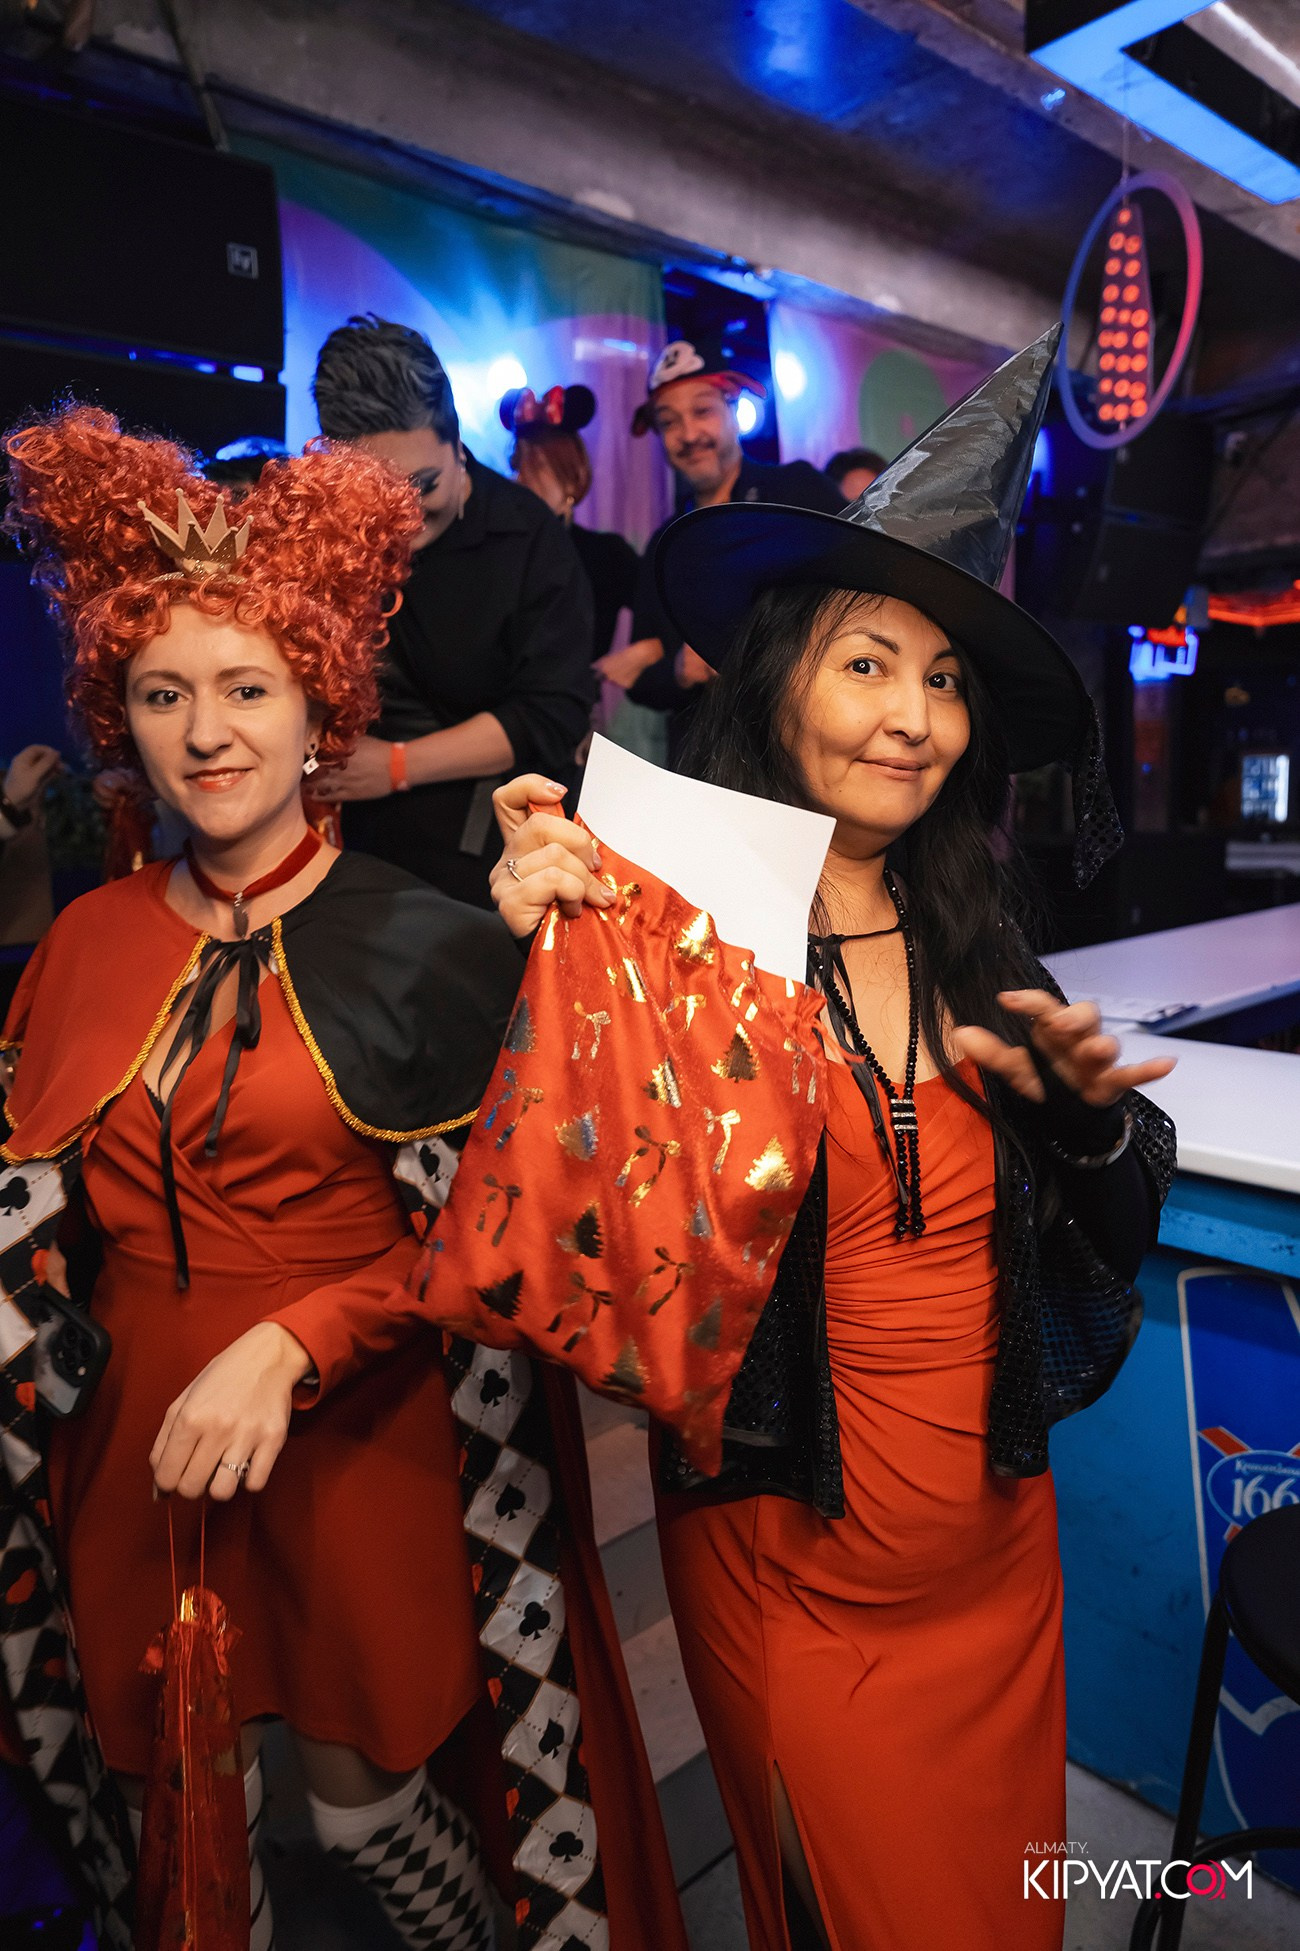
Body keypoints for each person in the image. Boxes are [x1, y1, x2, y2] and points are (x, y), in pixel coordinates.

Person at [484, 331, 1177, 1951]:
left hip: (998, 1564)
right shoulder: (679, 927)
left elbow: (1108, 1231)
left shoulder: (977, 933)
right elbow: (587, 1244)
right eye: (870, 663)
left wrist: (1086, 1131)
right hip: (790, 1580)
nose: (915, 716)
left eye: (944, 679)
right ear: (778, 674)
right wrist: (545, 963)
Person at [0, 406, 686, 1951]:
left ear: (321, 706)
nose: (207, 731)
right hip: (135, 1447)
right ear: (122, 716)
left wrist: (297, 1338)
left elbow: (510, 1237)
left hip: (356, 1435)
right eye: (163, 692)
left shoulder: (427, 934)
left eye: (247, 686)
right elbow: (29, 1212)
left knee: (370, 1807)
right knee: (186, 1806)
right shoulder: (85, 940)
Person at [307, 315, 595, 907]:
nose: (404, 516)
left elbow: (550, 713)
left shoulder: (526, 537)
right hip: (352, 851)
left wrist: (396, 765)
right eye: (376, 492)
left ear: (456, 440)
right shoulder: (327, 537)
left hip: (491, 860)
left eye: (423, 485)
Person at [624, 334, 846, 761]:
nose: (689, 434)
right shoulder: (665, 543)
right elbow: (640, 677)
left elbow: (860, 592)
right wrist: (678, 670)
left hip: (802, 752)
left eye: (702, 411)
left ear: (733, 409)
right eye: (669, 422)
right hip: (702, 764)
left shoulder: (795, 491)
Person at [502, 382, 650, 684]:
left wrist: (641, 654)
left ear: (572, 478)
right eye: (516, 465)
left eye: (535, 465)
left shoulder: (606, 555)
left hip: (574, 709)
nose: (520, 478)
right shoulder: (500, 552)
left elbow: (663, 611)